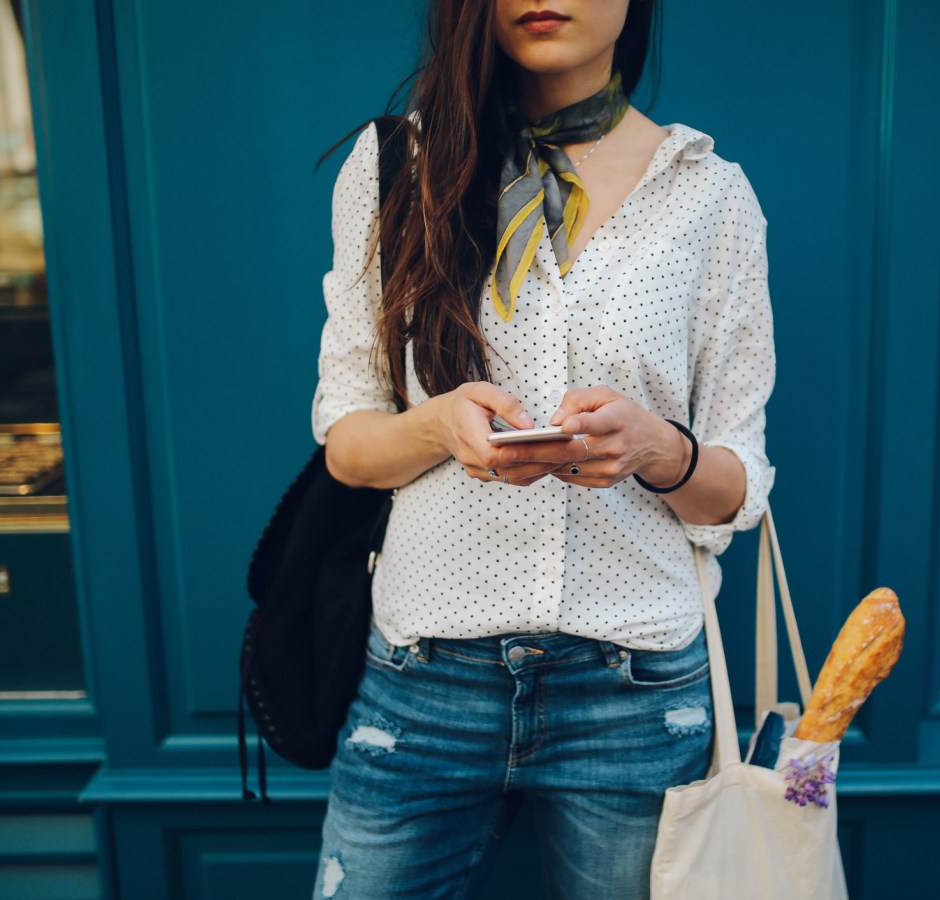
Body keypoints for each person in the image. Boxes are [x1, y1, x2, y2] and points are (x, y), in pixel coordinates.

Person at [311, 1, 774, 897]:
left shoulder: (710, 194)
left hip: (632, 692)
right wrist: (438, 427)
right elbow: (348, 443)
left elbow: (736, 486)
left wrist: (657, 450)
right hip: (423, 679)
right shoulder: (397, 167)